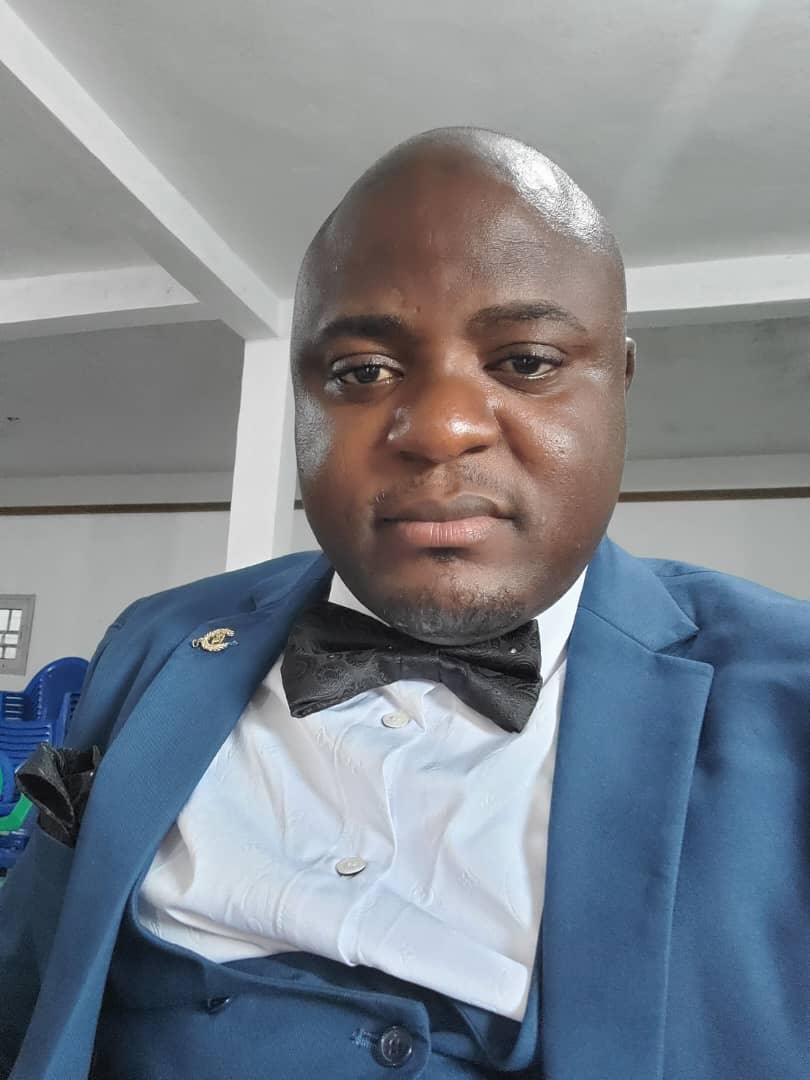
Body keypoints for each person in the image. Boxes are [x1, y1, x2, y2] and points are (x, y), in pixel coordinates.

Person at [1, 128, 807, 1080]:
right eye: (362, 373)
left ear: (618, 385)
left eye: (526, 360)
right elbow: (31, 975)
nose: (440, 429)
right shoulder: (159, 639)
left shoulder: (788, 695)